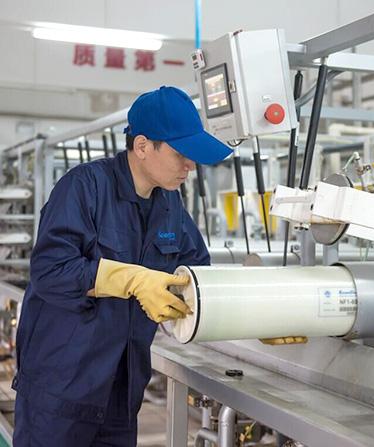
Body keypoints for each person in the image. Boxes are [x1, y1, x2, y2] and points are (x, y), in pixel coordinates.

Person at [12, 86, 232, 446]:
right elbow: (50, 272)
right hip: (59, 393)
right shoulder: (84, 187)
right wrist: (130, 278)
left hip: (121, 396)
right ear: (142, 146)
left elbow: (199, 273)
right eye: (180, 154)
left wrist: (252, 314)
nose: (190, 166)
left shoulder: (169, 205)